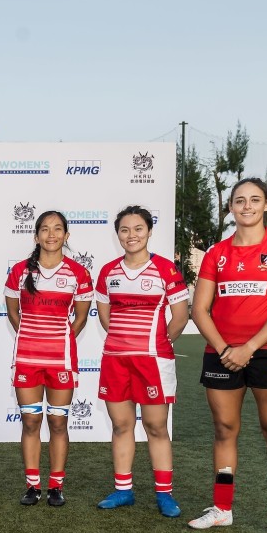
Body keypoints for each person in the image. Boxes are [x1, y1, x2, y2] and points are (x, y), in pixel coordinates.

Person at [188, 177, 267, 533]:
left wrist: (248, 347)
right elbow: (199, 309)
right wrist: (226, 349)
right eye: (240, 200)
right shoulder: (216, 253)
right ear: (231, 207)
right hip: (221, 353)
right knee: (224, 429)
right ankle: (222, 508)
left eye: (254, 200)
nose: (247, 206)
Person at [94, 206, 189, 517]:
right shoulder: (108, 272)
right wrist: (124, 343)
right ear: (117, 235)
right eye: (124, 230)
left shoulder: (165, 269)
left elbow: (180, 316)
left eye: (138, 229)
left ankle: (164, 494)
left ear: (149, 231)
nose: (131, 235)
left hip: (153, 362)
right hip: (116, 360)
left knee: (156, 426)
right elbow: (105, 317)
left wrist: (159, 343)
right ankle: (123, 490)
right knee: (121, 425)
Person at [4, 210, 93, 507]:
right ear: (36, 235)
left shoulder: (79, 273)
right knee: (30, 421)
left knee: (57, 422)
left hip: (61, 360)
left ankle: (56, 485)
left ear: (66, 235)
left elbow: (80, 318)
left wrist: (59, 339)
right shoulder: (19, 271)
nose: (51, 234)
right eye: (45, 229)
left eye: (57, 229)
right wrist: (32, 337)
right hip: (27, 358)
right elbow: (13, 312)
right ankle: (33, 485)